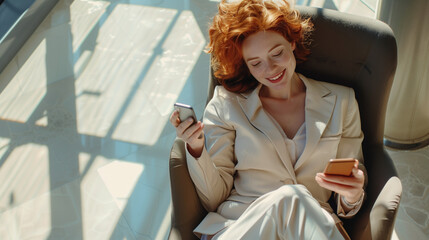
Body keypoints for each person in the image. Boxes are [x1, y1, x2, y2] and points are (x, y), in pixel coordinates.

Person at [169, 0, 366, 239]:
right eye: (256, 63)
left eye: (277, 53)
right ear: (246, 66)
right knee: (291, 196)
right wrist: (197, 147)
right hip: (241, 227)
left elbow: (349, 186)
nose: (270, 69)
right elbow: (214, 199)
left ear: (292, 42)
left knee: (295, 199)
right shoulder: (226, 104)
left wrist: (353, 194)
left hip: (309, 230)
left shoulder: (342, 101)